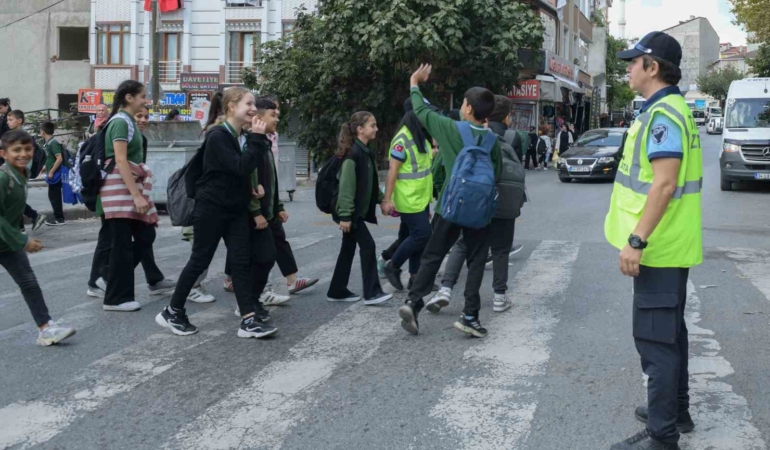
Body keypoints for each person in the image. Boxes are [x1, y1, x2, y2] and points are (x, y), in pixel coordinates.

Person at [607, 31, 702, 450]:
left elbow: (663, 185)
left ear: (653, 67)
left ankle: (662, 437)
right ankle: (675, 410)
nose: (627, 68)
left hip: (658, 247)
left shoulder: (664, 116)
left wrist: (637, 240)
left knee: (655, 342)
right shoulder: (666, 110)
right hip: (670, 245)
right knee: (670, 334)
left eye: (633, 62)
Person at [157, 87, 278, 339]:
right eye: (249, 104)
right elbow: (240, 166)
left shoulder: (234, 136)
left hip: (233, 210)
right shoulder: (218, 136)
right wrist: (256, 138)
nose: (254, 109)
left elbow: (233, 175)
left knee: (241, 263)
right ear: (232, 107)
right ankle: (172, 311)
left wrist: (251, 190)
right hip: (211, 210)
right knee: (200, 261)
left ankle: (248, 320)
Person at [397, 64, 502, 338]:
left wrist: (414, 82)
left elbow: (420, 111)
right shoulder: (492, 140)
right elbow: (497, 173)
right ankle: (469, 316)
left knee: (433, 255)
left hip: (450, 206)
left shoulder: (450, 129)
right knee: (477, 260)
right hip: (480, 212)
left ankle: (412, 302)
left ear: (467, 109)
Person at [428, 95, 523, 315]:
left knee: (462, 244)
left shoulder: (469, 134)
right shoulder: (515, 137)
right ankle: (499, 297)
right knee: (500, 250)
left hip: (479, 198)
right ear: (507, 117)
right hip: (506, 200)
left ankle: (445, 289)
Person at [85, 104, 178, 300]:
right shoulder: (115, 131)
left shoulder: (139, 139)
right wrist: (135, 195)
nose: (143, 120)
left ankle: (153, 278)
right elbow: (116, 164)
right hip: (112, 195)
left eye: (146, 116)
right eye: (139, 116)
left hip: (128, 195)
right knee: (109, 239)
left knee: (143, 234)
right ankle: (98, 281)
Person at [0, 129, 76, 345]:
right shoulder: (3, 176)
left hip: (7, 243)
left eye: (27, 149)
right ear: (3, 153)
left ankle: (45, 328)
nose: (23, 154)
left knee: (29, 283)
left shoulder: (21, 174)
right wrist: (22, 240)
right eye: (16, 150)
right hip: (10, 240)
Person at [95, 80, 159, 312]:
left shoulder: (127, 121)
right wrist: (137, 195)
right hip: (118, 191)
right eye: (142, 96)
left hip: (124, 190)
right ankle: (115, 298)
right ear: (129, 98)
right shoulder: (121, 122)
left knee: (144, 236)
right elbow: (120, 160)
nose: (145, 100)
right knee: (123, 243)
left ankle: (108, 277)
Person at [326, 111, 393, 305]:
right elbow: (346, 188)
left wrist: (382, 200)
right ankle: (372, 293)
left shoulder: (364, 151)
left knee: (348, 248)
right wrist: (346, 216)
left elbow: (369, 182)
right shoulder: (353, 154)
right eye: (372, 125)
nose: (376, 129)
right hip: (349, 212)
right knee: (368, 245)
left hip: (353, 212)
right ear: (360, 129)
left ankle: (337, 290)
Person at [380, 100, 434, 292]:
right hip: (408, 199)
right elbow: (392, 171)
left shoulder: (421, 137)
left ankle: (415, 278)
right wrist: (386, 199)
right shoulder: (402, 139)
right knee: (422, 234)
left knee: (416, 237)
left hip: (421, 198)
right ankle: (393, 265)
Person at [6, 110, 47, 231]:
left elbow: (26, 157)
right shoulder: (14, 135)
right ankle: (26, 223)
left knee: (14, 199)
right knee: (13, 199)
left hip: (20, 172)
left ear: (19, 120)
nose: (8, 122)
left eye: (10, 120)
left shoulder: (23, 136)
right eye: (8, 120)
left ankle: (25, 224)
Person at [40, 122, 66, 226]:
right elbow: (51, 158)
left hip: (55, 175)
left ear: (43, 132)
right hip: (52, 173)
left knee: (55, 196)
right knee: (53, 196)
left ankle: (59, 218)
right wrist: (45, 168)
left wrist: (51, 171)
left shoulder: (53, 143)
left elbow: (59, 159)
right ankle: (57, 216)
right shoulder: (48, 143)